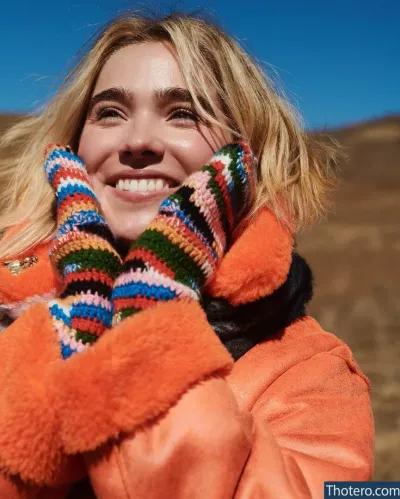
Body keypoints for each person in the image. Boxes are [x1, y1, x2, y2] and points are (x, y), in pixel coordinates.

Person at [0, 11, 374, 499]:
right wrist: (81, 308)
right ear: (75, 148)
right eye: (110, 112)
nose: (137, 142)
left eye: (184, 113)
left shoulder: (311, 375)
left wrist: (148, 314)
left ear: (248, 155)